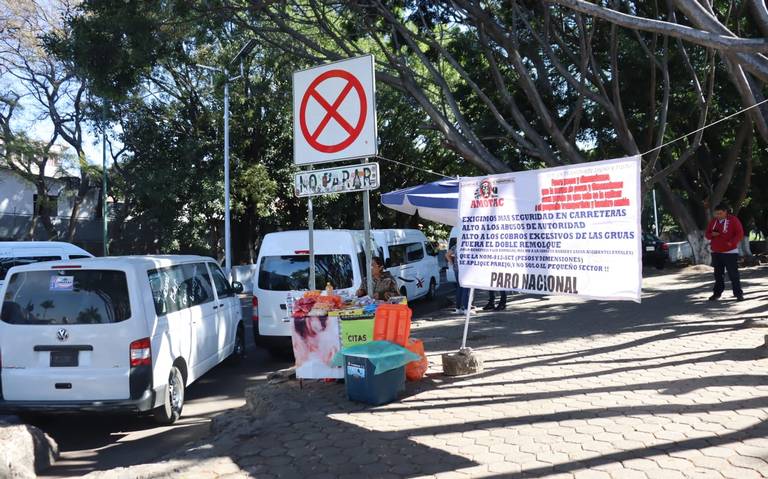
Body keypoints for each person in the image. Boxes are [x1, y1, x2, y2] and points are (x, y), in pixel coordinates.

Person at [704, 204, 744, 302]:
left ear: (725, 212)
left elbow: (740, 233)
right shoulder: (713, 221)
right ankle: (717, 293)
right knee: (718, 274)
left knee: (733, 274)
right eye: (716, 214)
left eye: (720, 213)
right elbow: (707, 234)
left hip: (730, 252)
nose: (718, 215)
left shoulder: (733, 220)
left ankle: (738, 294)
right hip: (716, 252)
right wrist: (711, 234)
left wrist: (731, 243)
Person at [445, 244, 473, 314]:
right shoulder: (469, 245)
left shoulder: (456, 246)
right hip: (465, 270)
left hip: (457, 270)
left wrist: (452, 264)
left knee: (459, 288)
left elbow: (447, 255)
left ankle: (458, 308)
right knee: (465, 288)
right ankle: (466, 309)